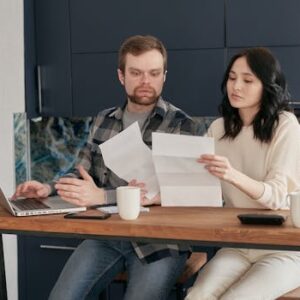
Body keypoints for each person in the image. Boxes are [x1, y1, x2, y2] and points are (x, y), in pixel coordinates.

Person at [14, 35, 196, 300]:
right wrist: (49, 187)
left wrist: (103, 197)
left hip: (160, 240)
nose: (146, 81)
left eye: (154, 73)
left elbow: (174, 192)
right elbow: (83, 171)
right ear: (121, 76)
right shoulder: (103, 119)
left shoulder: (182, 125)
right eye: (136, 73)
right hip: (106, 233)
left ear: (164, 76)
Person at [185, 47, 300, 300]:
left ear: (267, 86)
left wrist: (231, 174)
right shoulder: (219, 129)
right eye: (232, 77)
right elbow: (189, 180)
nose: (236, 86)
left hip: (285, 249)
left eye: (248, 80)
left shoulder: (286, 126)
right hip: (238, 244)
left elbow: (277, 197)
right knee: (197, 296)